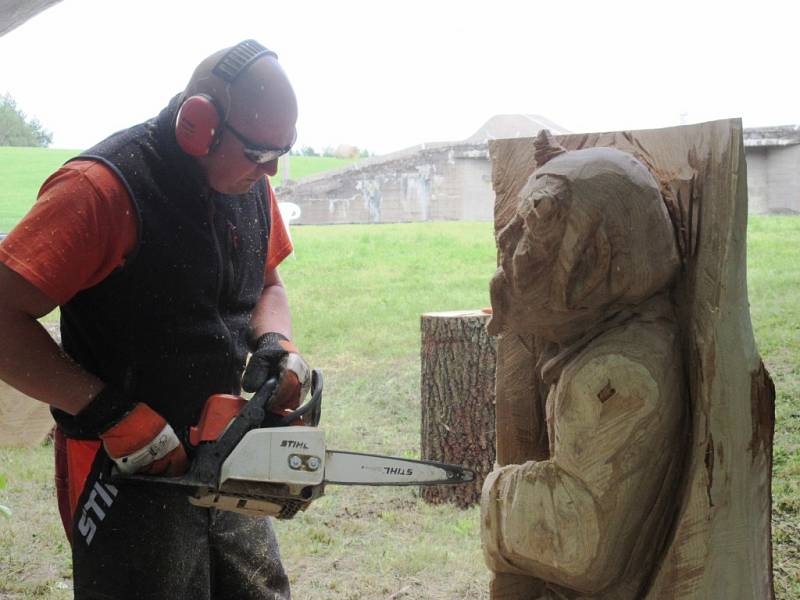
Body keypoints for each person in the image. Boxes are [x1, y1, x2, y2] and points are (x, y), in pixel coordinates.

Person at [0, 40, 307, 599]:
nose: (272, 170)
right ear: (201, 124)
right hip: (121, 463)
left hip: (225, 444)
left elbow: (268, 282)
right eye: (260, 154)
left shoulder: (249, 186)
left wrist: (274, 343)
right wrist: (108, 412)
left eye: (280, 154)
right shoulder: (102, 190)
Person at [481, 132, 687, 598]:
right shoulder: (596, 350)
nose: (507, 242)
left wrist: (499, 491)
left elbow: (579, 542)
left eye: (530, 232)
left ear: (593, 266)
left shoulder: (617, 375)